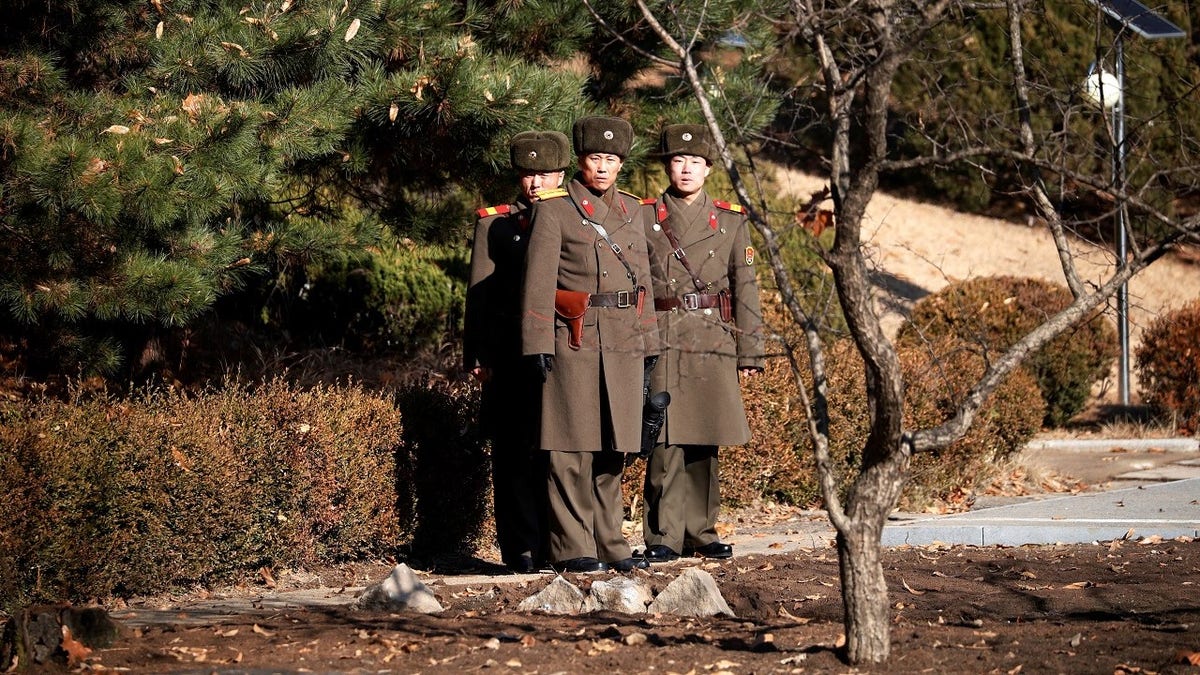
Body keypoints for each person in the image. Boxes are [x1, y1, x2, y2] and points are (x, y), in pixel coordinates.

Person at [521, 116, 661, 574]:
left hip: (622, 339)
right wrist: (537, 341)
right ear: (581, 161)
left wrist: (650, 343)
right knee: (568, 448)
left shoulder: (633, 211)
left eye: (611, 160)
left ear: (621, 164)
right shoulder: (555, 209)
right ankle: (570, 546)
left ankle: (609, 540)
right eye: (595, 158)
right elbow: (537, 281)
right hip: (573, 339)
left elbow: (642, 280)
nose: (602, 168)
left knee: (612, 448)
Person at [639, 123, 764, 563]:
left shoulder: (730, 221)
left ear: (709, 169)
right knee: (664, 438)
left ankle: (701, 531)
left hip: (713, 338)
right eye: (678, 160)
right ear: (668, 166)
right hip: (663, 335)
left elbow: (745, 288)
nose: (686, 169)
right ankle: (663, 536)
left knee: (704, 440)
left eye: (695, 161)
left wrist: (751, 351)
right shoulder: (645, 216)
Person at [464, 130, 571, 573]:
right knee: (512, 455)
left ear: (562, 174)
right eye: (528, 174)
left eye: (544, 173)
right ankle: (520, 550)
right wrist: (478, 356)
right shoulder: (496, 223)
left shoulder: (576, 218)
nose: (535, 183)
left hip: (562, 353)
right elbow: (479, 298)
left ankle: (558, 544)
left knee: (558, 453)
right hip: (509, 357)